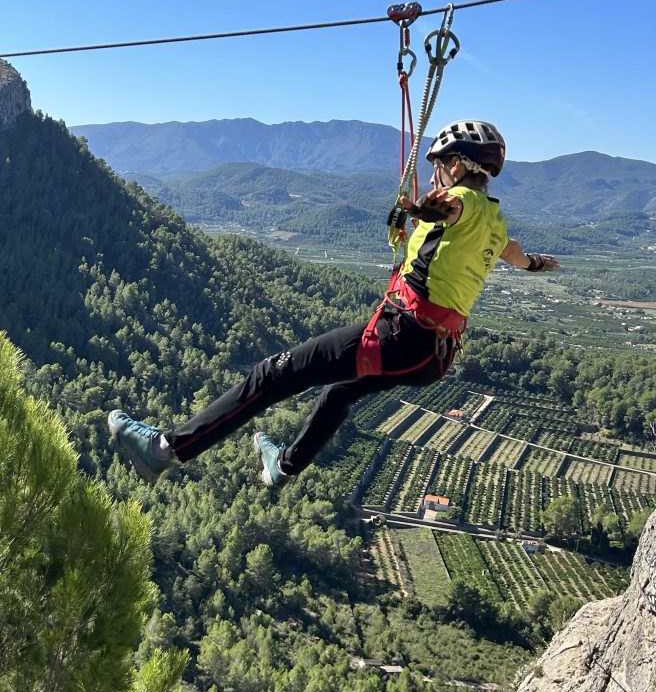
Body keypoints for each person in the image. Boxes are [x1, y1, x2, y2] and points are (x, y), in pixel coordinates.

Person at [108, 119, 559, 488]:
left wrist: (421, 209)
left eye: (440, 166)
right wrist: (541, 264)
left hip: (400, 338)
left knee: (273, 374)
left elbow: (446, 205)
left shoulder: (458, 201)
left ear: (458, 165)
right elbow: (519, 257)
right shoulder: (495, 223)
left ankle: (164, 449)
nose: (437, 174)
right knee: (339, 393)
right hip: (430, 358)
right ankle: (283, 466)